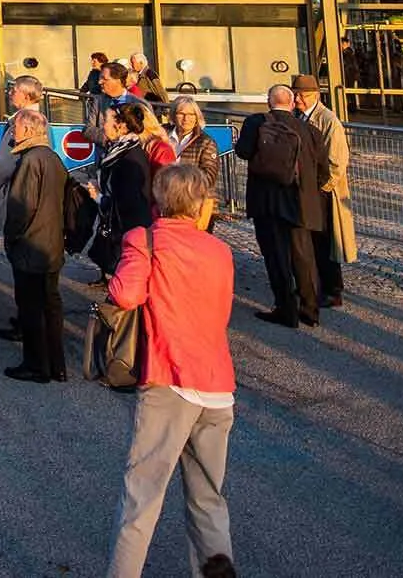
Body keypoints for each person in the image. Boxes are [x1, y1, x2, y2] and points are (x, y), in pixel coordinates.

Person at [104, 164, 237, 578]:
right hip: (216, 381)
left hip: (168, 375)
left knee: (141, 497)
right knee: (208, 498)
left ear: (158, 200)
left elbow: (124, 294)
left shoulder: (145, 240)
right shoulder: (219, 249)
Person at [234, 85, 326, 327]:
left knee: (276, 256)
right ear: (292, 102)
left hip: (266, 201)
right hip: (301, 201)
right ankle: (310, 310)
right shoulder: (310, 130)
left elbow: (243, 152)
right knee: (303, 256)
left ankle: (285, 309)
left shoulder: (255, 122)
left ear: (269, 101)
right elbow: (323, 169)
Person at [0, 109, 69, 383]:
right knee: (50, 305)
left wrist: (11, 237)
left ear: (27, 130)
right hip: (51, 242)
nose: (12, 133)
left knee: (31, 307)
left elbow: (20, 207)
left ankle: (36, 364)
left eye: (15, 128)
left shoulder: (30, 160)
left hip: (31, 244)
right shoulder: (52, 158)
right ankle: (56, 363)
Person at [293, 75, 354, 310]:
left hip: (323, 192)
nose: (298, 99)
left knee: (325, 240)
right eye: (296, 94)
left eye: (303, 95)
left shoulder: (328, 121)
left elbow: (337, 161)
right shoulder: (299, 116)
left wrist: (322, 188)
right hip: (308, 189)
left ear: (315, 95)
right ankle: (313, 284)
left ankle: (332, 289)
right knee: (308, 240)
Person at [91, 102, 156, 279]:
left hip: (128, 232)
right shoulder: (118, 151)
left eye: (106, 120)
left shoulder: (130, 156)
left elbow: (129, 201)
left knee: (126, 282)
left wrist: (99, 197)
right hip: (122, 229)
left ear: (121, 126)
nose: (102, 125)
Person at [169, 95, 220, 186]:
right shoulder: (162, 135)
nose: (186, 119)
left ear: (197, 117)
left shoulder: (205, 142)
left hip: (189, 194)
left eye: (191, 114)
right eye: (181, 114)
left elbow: (209, 176)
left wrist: (184, 185)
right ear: (173, 115)